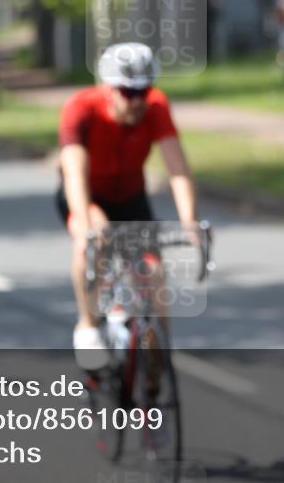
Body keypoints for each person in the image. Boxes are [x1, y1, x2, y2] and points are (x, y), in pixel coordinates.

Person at [57, 42, 200, 369]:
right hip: (87, 195)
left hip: (131, 196)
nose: (137, 101)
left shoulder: (155, 106)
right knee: (96, 239)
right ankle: (89, 325)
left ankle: (158, 363)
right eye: (127, 92)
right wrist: (83, 226)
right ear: (106, 89)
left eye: (143, 91)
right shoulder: (80, 109)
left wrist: (190, 221)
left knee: (154, 271)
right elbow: (74, 173)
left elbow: (177, 168)